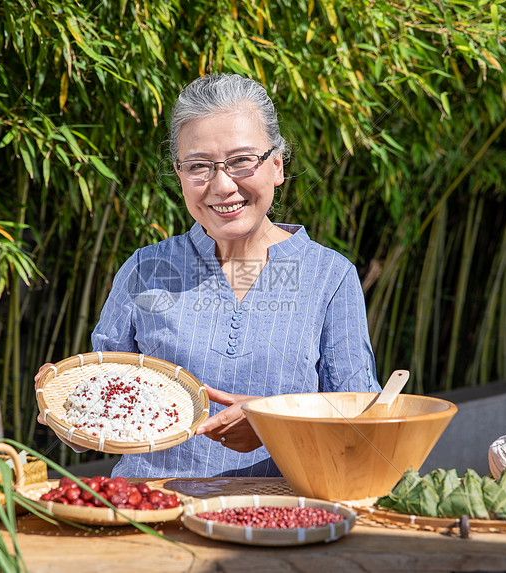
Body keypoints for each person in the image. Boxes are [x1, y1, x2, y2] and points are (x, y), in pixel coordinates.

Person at [35, 73, 379, 478]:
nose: (222, 184)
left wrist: (275, 423)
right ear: (179, 175)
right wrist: (66, 413)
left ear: (277, 166)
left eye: (241, 161)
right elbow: (101, 417)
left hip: (274, 521)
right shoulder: (145, 269)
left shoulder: (330, 276)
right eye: (199, 166)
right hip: (148, 514)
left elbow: (364, 423)